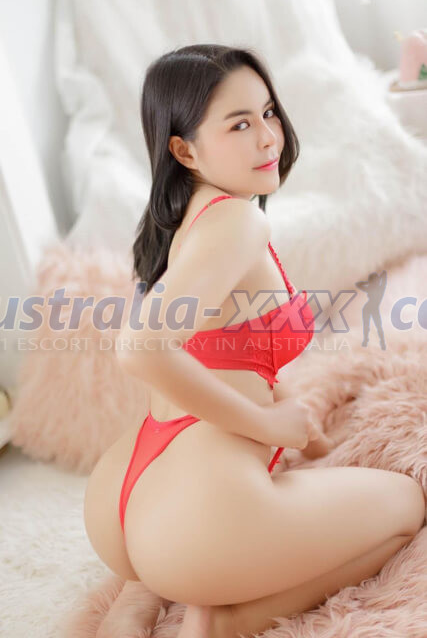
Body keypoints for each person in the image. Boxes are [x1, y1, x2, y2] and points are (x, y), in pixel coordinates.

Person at [85, 44, 426, 638]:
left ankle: (142, 593)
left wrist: (297, 429)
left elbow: (222, 353)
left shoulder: (191, 217)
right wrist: (266, 424)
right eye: (240, 124)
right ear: (184, 150)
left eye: (268, 113)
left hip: (128, 492)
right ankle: (224, 617)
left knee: (209, 530)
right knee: (406, 505)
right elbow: (140, 346)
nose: (269, 137)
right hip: (200, 509)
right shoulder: (239, 221)